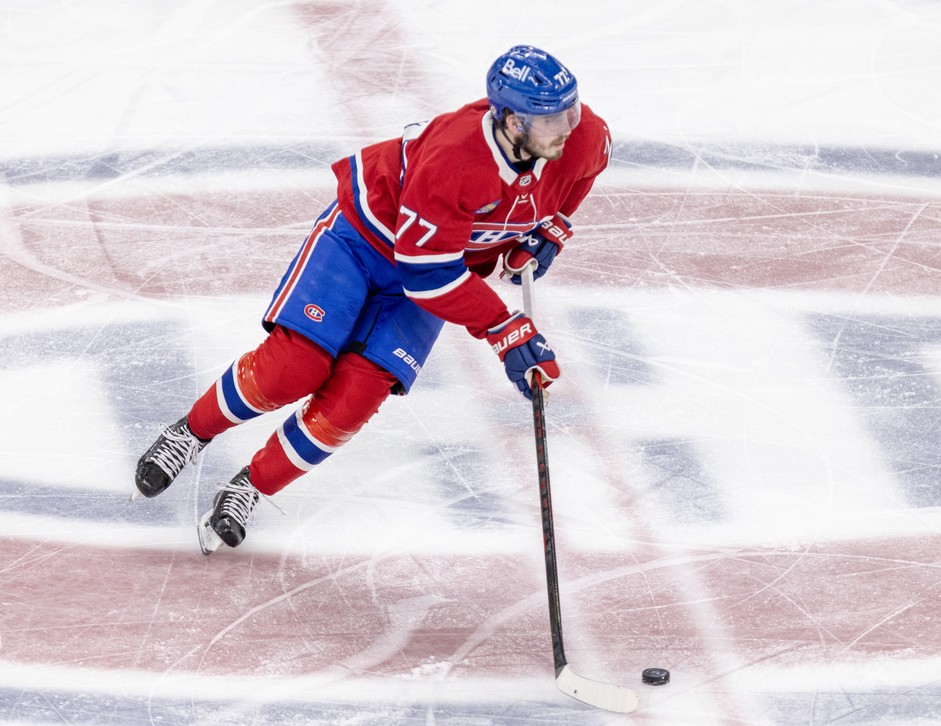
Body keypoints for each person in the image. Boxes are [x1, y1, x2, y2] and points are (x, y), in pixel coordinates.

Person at [132, 44, 613, 555]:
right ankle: (192, 433)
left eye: (571, 109)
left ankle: (249, 486)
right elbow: (425, 274)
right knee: (293, 369)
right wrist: (503, 328)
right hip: (365, 242)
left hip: (439, 263)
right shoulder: (455, 160)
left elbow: (583, 172)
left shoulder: (582, 137)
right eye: (551, 118)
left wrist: (551, 229)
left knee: (354, 399)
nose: (568, 125)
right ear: (513, 123)